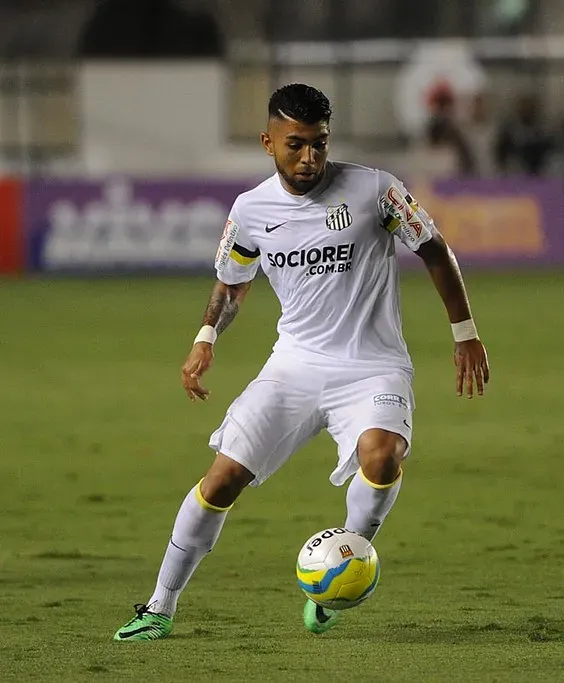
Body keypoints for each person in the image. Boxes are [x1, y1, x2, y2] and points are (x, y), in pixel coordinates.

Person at [113, 84, 490, 641]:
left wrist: (465, 333)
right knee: (221, 480)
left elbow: (433, 247)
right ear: (269, 142)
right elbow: (232, 282)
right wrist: (205, 337)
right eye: (296, 145)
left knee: (383, 455)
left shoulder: (376, 190)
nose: (310, 157)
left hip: (373, 365)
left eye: (319, 144)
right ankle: (159, 606)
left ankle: (340, 569)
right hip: (293, 366)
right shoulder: (250, 210)